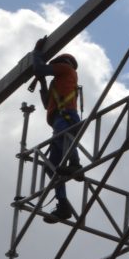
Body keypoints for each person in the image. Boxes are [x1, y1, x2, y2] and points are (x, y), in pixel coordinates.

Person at [32, 49, 84, 224]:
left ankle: (75, 165)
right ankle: (62, 204)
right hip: (59, 119)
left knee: (65, 139)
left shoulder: (66, 69)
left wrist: (36, 53)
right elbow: (48, 104)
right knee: (51, 167)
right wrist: (43, 84)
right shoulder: (58, 81)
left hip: (66, 116)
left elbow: (40, 68)